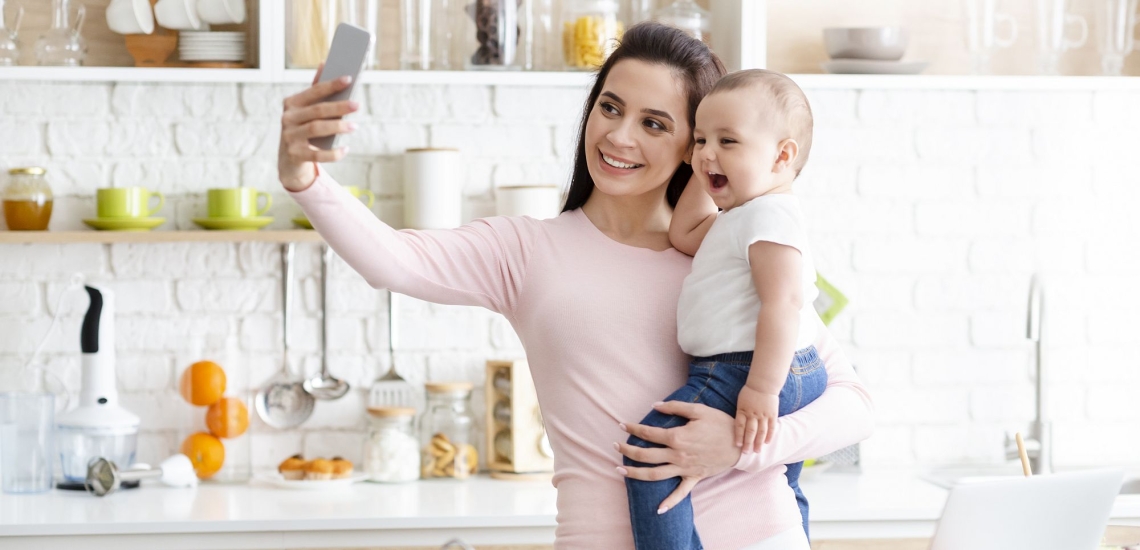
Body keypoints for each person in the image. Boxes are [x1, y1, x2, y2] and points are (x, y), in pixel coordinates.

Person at [278, 22, 873, 550]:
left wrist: (743, 448)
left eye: (655, 123)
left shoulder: (730, 250)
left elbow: (853, 406)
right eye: (610, 108)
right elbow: (393, 262)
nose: (618, 136)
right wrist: (306, 180)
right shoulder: (528, 250)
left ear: (696, 148)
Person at [623, 69, 827, 549]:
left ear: (782, 156)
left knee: (653, 450)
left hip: (745, 368)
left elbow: (784, 303)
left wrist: (761, 387)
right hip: (777, 367)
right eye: (699, 140)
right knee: (783, 481)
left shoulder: (772, 216)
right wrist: (706, 171)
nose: (706, 153)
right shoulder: (743, 215)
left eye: (728, 141)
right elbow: (686, 232)